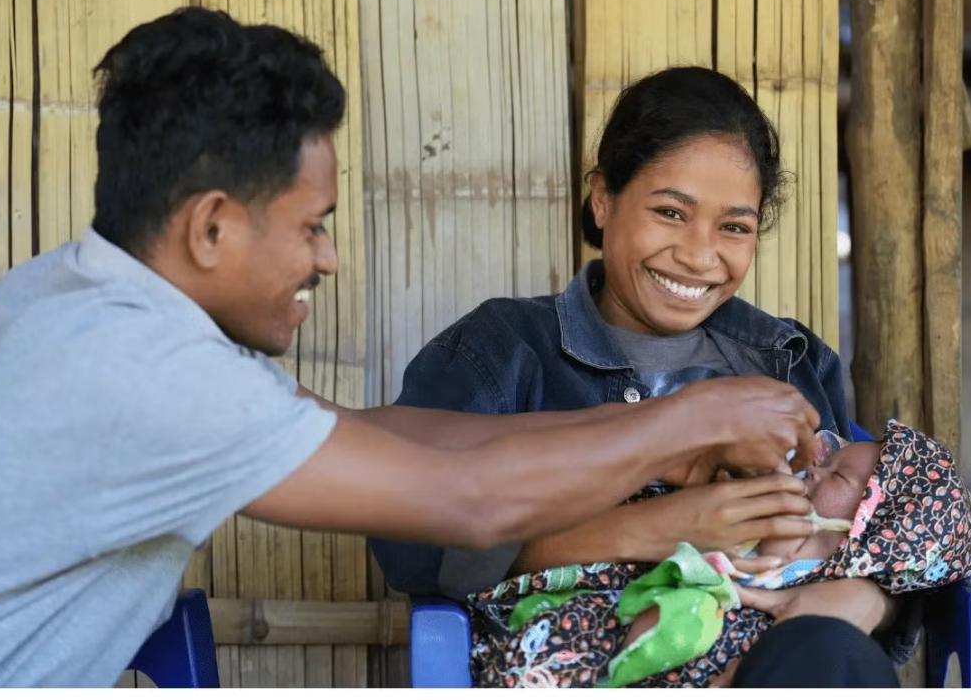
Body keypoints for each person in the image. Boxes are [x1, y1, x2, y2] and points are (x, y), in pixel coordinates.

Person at [0, 10, 821, 687]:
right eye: (312, 226)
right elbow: (464, 502)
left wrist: (681, 422)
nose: (329, 256)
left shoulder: (77, 298)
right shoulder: (148, 374)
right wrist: (689, 421)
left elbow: (393, 436)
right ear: (210, 228)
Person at [372, 66, 902, 687]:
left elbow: (891, 531)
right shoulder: (502, 354)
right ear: (603, 198)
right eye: (671, 212)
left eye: (734, 227)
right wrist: (654, 529)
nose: (701, 255)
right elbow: (414, 548)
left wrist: (867, 597)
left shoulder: (788, 362)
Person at [606, 420, 971, 687]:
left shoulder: (820, 559)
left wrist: (867, 598)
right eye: (828, 462)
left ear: (874, 529)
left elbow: (774, 559)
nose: (815, 470)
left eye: (837, 475)